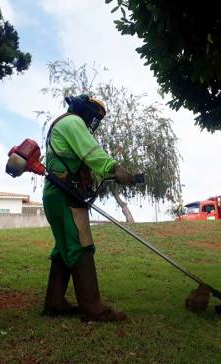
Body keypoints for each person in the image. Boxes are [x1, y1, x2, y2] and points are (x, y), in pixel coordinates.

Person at [42, 94, 144, 322]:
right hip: (64, 195)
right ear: (85, 110)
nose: (93, 122)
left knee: (64, 247)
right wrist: (115, 169)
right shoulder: (72, 122)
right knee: (81, 245)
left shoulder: (63, 124)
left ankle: (54, 303)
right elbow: (91, 153)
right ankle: (93, 307)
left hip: (55, 194)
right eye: (94, 116)